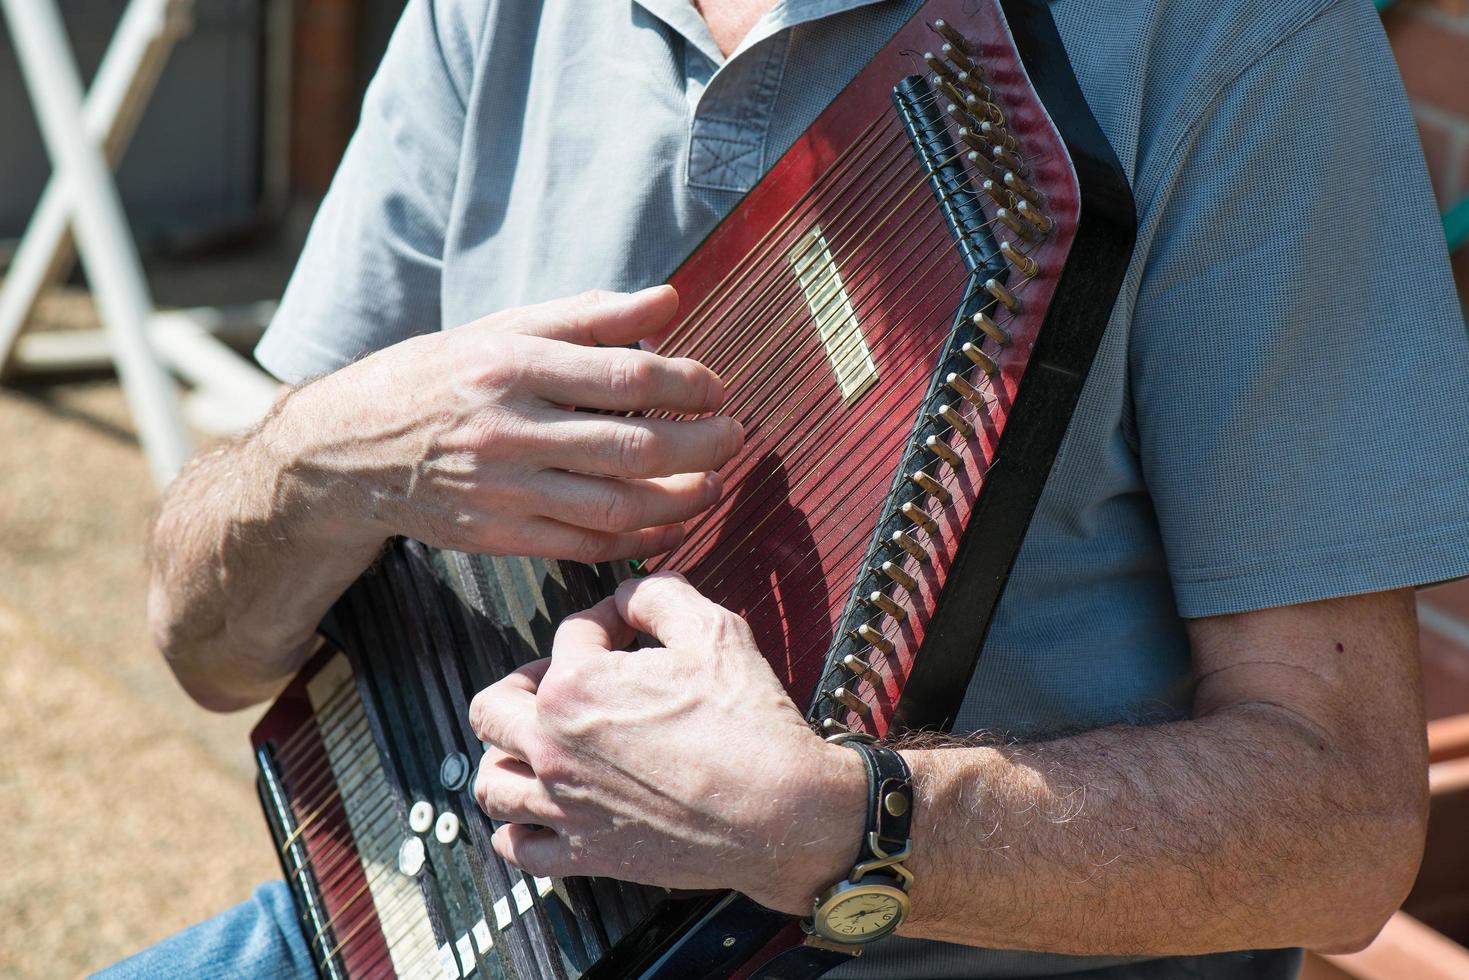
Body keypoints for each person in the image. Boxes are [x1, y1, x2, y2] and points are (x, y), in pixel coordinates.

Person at [107, 0, 1469, 976]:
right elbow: (207, 648)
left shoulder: (1231, 37)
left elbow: (1339, 830)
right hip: (409, 923)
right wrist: (316, 460)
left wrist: (827, 823)